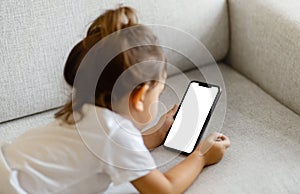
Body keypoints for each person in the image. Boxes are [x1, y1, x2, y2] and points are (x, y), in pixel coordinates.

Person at [0, 6, 230, 194]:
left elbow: (115, 151)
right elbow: (164, 189)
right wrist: (202, 155)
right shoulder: (113, 136)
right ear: (140, 97)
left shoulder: (85, 112)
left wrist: (159, 134)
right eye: (158, 92)